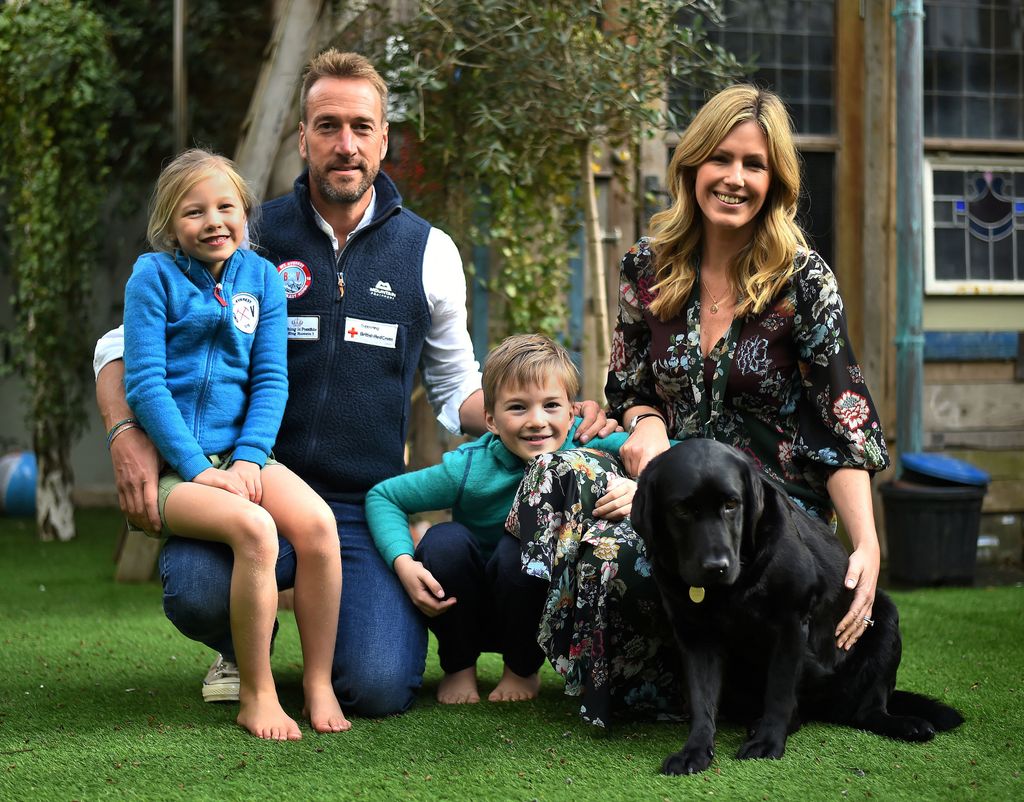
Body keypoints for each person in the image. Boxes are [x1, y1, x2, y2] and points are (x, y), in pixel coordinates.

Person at [93, 50, 611, 717]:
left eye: (361, 127)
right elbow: (122, 344)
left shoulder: (429, 252)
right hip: (256, 481)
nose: (346, 145)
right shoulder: (249, 233)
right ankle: (241, 644)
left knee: (376, 687)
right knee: (194, 587)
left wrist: (546, 415)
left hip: (360, 504)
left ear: (384, 138)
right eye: (328, 125)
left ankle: (322, 656)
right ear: (302, 136)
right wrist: (122, 429)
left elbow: (457, 391)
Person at [509, 84, 890, 727]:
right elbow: (629, 390)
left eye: (755, 164)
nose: (735, 178)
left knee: (612, 557)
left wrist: (867, 543)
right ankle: (565, 658)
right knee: (556, 475)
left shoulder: (803, 280)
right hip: (672, 491)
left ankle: (658, 684)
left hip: (765, 513)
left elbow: (843, 421)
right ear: (692, 166)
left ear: (775, 181)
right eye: (722, 159)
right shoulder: (646, 268)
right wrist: (650, 432)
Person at [118, 149, 346, 740]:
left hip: (244, 454)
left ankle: (317, 683)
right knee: (256, 530)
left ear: (246, 212)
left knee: (319, 526)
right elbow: (143, 384)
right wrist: (197, 468)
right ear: (170, 224)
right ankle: (257, 689)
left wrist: (248, 456)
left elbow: (271, 379)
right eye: (194, 212)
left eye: (227, 207)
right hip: (177, 468)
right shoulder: (152, 276)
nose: (214, 221)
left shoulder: (262, 278)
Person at [366, 335, 639, 706]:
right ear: (491, 420)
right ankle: (459, 666)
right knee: (443, 542)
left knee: (521, 551)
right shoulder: (469, 467)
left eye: (551, 405)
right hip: (468, 606)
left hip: (535, 607)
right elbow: (384, 496)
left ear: (572, 412)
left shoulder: (587, 443)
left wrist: (640, 485)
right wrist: (402, 561)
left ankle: (521, 669)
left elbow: (671, 455)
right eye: (518, 408)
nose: (537, 421)